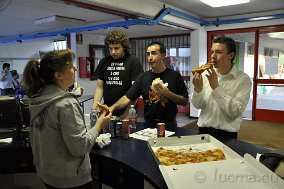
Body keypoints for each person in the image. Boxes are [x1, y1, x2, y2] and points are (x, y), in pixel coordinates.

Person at [22, 49, 111, 189]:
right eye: (70, 67)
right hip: (70, 179)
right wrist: (99, 125)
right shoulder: (66, 104)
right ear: (58, 75)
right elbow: (80, 147)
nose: (75, 69)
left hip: (48, 174)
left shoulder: (37, 99)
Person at [110, 41, 189, 132]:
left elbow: (184, 101)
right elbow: (127, 98)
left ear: (163, 55)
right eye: (148, 54)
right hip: (148, 124)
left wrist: (167, 93)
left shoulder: (174, 76)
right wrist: (112, 108)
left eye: (154, 53)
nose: (150, 57)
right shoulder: (143, 77)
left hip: (169, 124)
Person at [191, 36, 252, 140]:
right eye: (212, 52)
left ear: (231, 55)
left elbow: (235, 111)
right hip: (203, 131)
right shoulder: (206, 74)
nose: (213, 56)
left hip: (227, 136)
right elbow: (198, 105)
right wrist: (198, 89)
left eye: (218, 52)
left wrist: (216, 87)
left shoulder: (243, 79)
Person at [92, 30, 143, 118]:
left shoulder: (133, 61)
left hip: (127, 110)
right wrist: (94, 109)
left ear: (124, 47)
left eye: (116, 48)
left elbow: (135, 91)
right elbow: (99, 87)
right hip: (107, 110)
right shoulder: (104, 62)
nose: (113, 52)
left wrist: (126, 113)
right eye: (110, 48)